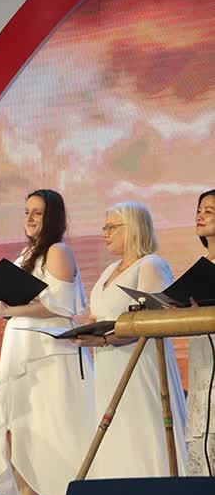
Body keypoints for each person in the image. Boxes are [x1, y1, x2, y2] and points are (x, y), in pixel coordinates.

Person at [0, 189, 94, 495]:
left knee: (59, 434)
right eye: (26, 211)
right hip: (20, 349)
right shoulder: (26, 255)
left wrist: (9, 309)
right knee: (22, 437)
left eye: (37, 213)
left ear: (52, 217)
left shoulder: (58, 251)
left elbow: (60, 305)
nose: (29, 218)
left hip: (50, 354)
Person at [75, 201, 187, 478]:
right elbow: (99, 314)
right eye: (104, 227)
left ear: (134, 228)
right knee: (118, 435)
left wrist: (104, 340)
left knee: (145, 433)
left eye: (112, 227)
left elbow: (152, 320)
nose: (105, 233)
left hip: (140, 364)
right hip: (109, 365)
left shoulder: (151, 265)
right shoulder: (109, 270)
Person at [186, 189, 215, 476]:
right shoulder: (200, 269)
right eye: (199, 210)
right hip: (202, 362)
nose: (200, 215)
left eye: (209, 211)